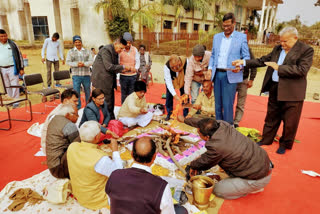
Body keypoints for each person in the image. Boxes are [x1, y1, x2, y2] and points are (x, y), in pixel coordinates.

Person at [232, 27, 314, 154]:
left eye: (285, 41)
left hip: (292, 92)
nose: (282, 44)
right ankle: (266, 139)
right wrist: (243, 62)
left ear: (295, 38)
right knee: (271, 116)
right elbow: (262, 60)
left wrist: (279, 68)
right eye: (281, 41)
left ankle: (285, 144)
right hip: (275, 87)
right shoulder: (278, 49)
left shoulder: (306, 50)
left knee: (290, 121)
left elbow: (302, 70)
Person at [180, 116, 273, 200]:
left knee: (218, 190)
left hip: (258, 178)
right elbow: (202, 122)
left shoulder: (217, 147)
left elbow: (205, 162)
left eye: (199, 133)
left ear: (207, 137)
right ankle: (246, 183)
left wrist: (193, 165)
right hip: (263, 163)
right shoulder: (222, 124)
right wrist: (185, 120)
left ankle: (251, 187)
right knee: (222, 159)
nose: (198, 134)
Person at [106, 137, 182, 214]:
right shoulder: (161, 187)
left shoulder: (114, 176)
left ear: (132, 154)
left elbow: (110, 202)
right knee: (181, 210)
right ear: (154, 157)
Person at [67, 121, 123, 210]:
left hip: (80, 194)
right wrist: (115, 151)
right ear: (97, 137)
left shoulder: (72, 147)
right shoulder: (101, 159)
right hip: (96, 199)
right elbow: (119, 174)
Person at [207, 12, 250, 125]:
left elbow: (246, 57)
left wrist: (240, 66)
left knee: (227, 104)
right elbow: (213, 55)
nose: (226, 28)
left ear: (234, 23)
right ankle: (218, 126)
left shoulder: (241, 37)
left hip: (231, 75)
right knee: (218, 104)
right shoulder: (217, 37)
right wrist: (210, 69)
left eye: (228, 26)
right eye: (224, 26)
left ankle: (228, 128)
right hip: (217, 75)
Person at [91, 37, 130, 120]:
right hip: (101, 79)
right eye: (121, 48)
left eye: (123, 49)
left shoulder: (115, 52)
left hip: (109, 80)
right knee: (104, 101)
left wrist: (123, 70)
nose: (121, 50)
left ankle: (110, 119)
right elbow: (109, 67)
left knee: (110, 101)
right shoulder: (106, 50)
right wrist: (123, 67)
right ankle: (106, 119)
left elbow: (115, 67)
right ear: (116, 43)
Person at [46, 104, 80, 178]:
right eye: (76, 115)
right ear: (68, 115)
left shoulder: (55, 118)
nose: (78, 117)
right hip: (60, 169)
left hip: (52, 165)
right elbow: (78, 146)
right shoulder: (69, 125)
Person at [41, 88, 79, 154]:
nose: (77, 103)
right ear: (66, 101)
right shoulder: (57, 114)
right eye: (74, 101)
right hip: (54, 150)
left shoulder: (66, 109)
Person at [66, 35, 93, 109]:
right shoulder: (70, 52)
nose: (78, 43)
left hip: (86, 75)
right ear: (74, 43)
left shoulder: (87, 51)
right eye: (76, 42)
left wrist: (84, 64)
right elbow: (68, 62)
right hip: (76, 75)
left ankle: (89, 106)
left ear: (81, 42)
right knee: (76, 92)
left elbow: (91, 61)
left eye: (79, 42)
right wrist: (76, 64)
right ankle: (78, 107)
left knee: (88, 91)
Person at [0, 29, 24, 108]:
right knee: (6, 85)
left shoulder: (13, 44)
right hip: (2, 69)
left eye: (5, 36)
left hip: (12, 68)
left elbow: (19, 56)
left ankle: (16, 102)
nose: (4, 38)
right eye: (1, 36)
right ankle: (10, 100)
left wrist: (21, 68)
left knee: (15, 84)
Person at [233, 48, 257, 128]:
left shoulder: (247, 49)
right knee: (229, 102)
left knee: (241, 103)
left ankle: (236, 122)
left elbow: (253, 64)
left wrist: (251, 79)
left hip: (243, 79)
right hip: (231, 80)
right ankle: (228, 120)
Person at [164, 54, 189, 120]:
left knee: (185, 96)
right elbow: (168, 83)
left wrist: (186, 93)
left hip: (183, 80)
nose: (174, 69)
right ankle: (170, 113)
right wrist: (175, 95)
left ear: (179, 62)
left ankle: (186, 114)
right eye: (172, 67)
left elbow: (188, 78)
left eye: (176, 66)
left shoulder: (186, 62)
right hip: (173, 80)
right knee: (169, 95)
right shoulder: (167, 67)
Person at [119, 32, 140, 103]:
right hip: (123, 76)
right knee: (124, 94)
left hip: (132, 76)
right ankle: (123, 109)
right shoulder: (120, 50)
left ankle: (131, 108)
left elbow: (137, 61)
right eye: (127, 43)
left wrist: (136, 68)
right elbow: (118, 63)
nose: (128, 45)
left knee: (131, 94)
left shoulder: (135, 49)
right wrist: (121, 70)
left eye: (130, 43)